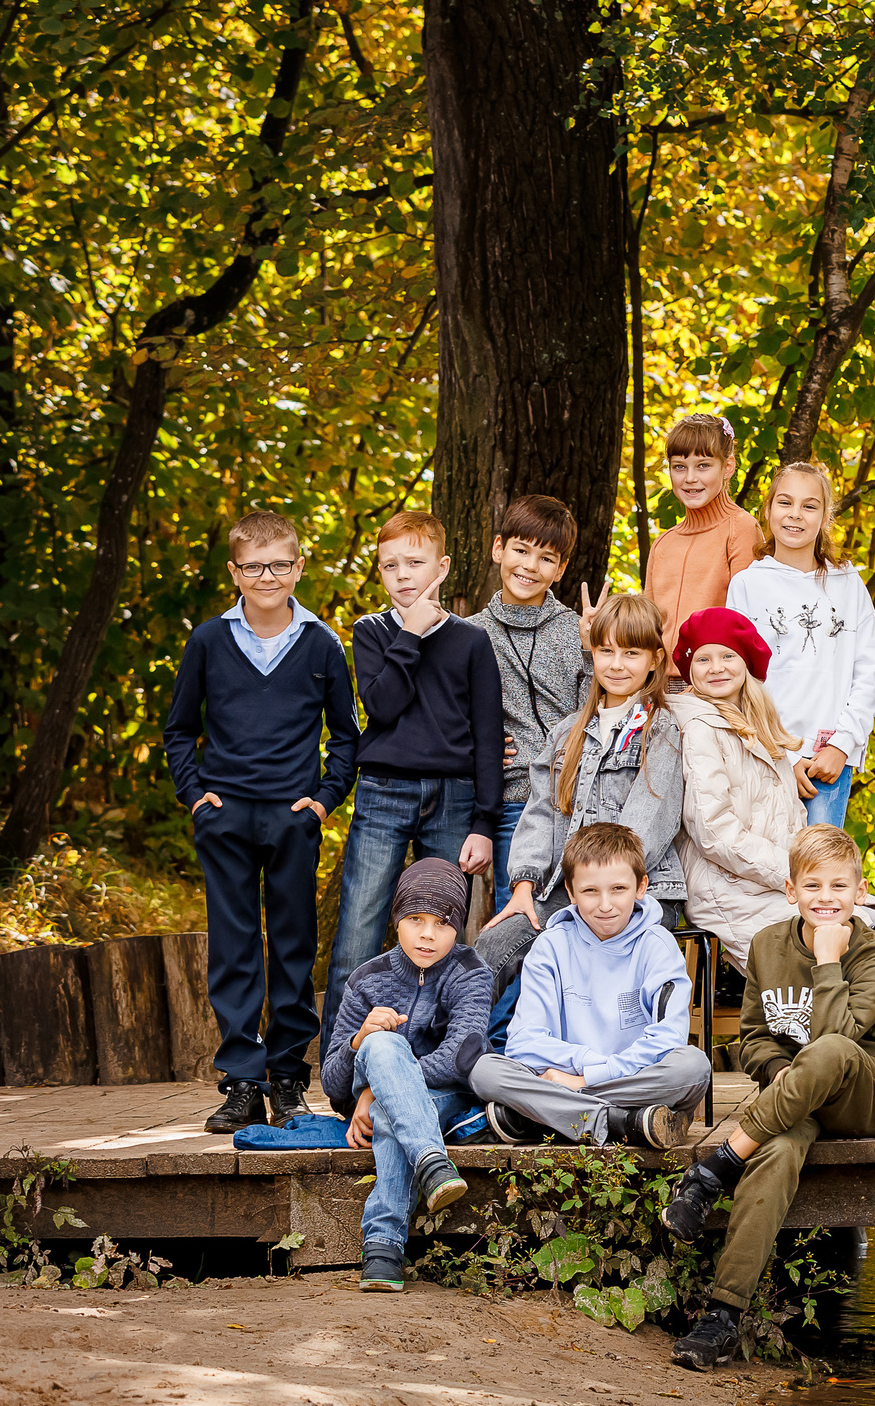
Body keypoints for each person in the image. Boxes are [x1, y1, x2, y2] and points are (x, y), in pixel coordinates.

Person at [663, 826, 875, 1370]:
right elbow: (752, 1037)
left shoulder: (874, 957)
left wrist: (828, 959)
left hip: (869, 1096)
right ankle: (724, 1315)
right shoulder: (766, 945)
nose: (826, 897)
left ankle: (715, 1168)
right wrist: (781, 1075)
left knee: (827, 1052)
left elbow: (839, 1041)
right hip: (794, 1099)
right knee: (774, 1153)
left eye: (839, 886)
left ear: (860, 891)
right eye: (813, 885)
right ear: (790, 890)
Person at [163, 510, 360, 1133]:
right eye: (254, 566)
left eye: (280, 564)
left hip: (292, 817)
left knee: (295, 947)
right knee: (234, 948)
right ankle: (242, 1081)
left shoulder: (324, 644)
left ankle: (286, 1079)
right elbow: (178, 729)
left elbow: (346, 737)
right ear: (235, 572)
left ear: (299, 567)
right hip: (224, 816)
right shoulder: (207, 642)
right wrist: (195, 795)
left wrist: (324, 799)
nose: (267, 575)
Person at [326, 511, 504, 1023]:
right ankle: (342, 1062)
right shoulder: (372, 633)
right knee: (360, 928)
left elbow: (488, 736)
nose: (402, 575)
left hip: (455, 798)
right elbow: (382, 706)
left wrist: (484, 823)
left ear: (442, 567)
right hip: (384, 792)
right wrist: (410, 634)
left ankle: (435, 1053)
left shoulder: (471, 641)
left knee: (442, 933)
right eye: (389, 566)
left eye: (415, 563)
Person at [476, 592, 686, 1025]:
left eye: (631, 653)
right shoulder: (567, 732)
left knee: (586, 951)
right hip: (563, 890)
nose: (616, 664)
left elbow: (647, 822)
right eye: (606, 650)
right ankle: (462, 1062)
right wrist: (525, 886)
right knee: (494, 944)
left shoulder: (661, 730)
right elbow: (540, 813)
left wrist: (594, 893)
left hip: (639, 893)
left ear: (654, 659)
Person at [469, 822, 713, 1148]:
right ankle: (619, 1121)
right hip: (602, 1081)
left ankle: (544, 1116)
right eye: (590, 891)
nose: (605, 905)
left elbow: (667, 1039)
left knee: (692, 1067)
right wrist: (589, 1061)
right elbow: (524, 1044)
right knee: (484, 1071)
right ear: (570, 892)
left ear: (641, 887)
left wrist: (582, 1080)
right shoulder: (550, 947)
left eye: (618, 889)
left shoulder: (658, 945)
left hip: (617, 1077)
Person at [320, 856, 490, 1293]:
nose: (428, 935)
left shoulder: (470, 972)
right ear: (396, 920)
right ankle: (432, 1162)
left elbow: (460, 1057)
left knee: (393, 1117)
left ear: (459, 927)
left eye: (443, 923)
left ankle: (382, 1247)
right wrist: (360, 1040)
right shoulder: (367, 978)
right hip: (390, 1092)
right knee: (380, 1040)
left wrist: (378, 1096)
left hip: (443, 1095)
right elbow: (332, 1082)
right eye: (415, 919)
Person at [726, 462, 875, 828]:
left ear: (825, 517)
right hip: (766, 755)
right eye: (785, 503)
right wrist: (780, 752)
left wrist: (842, 745)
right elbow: (739, 679)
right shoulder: (747, 584)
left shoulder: (848, 584)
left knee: (818, 871)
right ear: (767, 510)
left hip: (828, 761)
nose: (795, 514)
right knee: (767, 871)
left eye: (809, 506)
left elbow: (869, 674)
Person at [668, 608, 803, 971]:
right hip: (728, 886)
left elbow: (795, 817)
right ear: (690, 670)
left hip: (776, 880)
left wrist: (817, 875)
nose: (716, 667)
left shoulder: (760, 728)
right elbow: (713, 832)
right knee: (824, 945)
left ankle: (860, 1030)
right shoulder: (698, 727)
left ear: (747, 664)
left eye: (728, 656)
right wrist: (795, 874)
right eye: (703, 659)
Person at [467, 494, 589, 881]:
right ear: (498, 548)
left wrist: (590, 653)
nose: (530, 566)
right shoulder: (468, 633)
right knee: (518, 925)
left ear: (560, 569)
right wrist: (475, 749)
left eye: (547, 558)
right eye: (521, 550)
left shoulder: (576, 631)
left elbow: (597, 713)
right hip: (512, 802)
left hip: (579, 800)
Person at [644, 411, 763, 650]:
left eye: (703, 466)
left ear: (728, 467)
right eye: (679, 467)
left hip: (713, 680)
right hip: (658, 681)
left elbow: (749, 619)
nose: (690, 478)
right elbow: (647, 624)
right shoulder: (663, 544)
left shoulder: (741, 529)